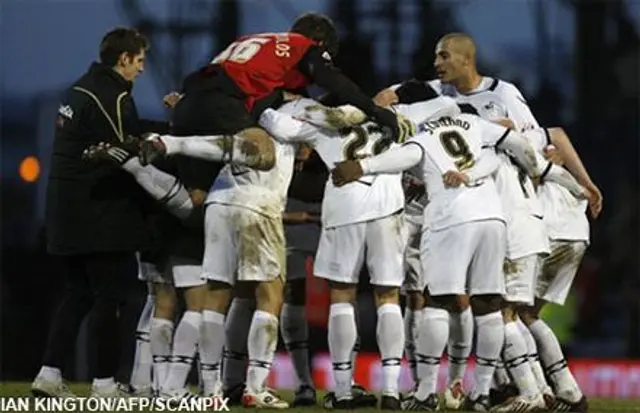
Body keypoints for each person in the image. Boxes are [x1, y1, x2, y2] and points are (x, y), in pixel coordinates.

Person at [32, 27, 154, 399]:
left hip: (64, 210)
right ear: (124, 58)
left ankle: (49, 374)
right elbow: (126, 149)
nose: (142, 69)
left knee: (78, 293)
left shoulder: (80, 89)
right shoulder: (113, 96)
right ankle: (104, 383)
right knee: (111, 296)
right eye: (139, 61)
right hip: (99, 213)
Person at [138, 13, 400, 172]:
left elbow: (292, 95)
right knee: (261, 152)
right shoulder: (303, 47)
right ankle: (167, 144)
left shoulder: (258, 43)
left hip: (190, 100)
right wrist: (374, 110)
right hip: (221, 101)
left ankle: (156, 148)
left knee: (198, 199)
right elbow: (336, 82)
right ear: (320, 44)